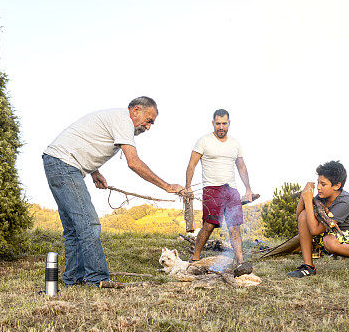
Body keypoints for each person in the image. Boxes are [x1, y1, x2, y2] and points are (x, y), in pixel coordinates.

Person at [43, 96, 185, 287]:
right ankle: (97, 279)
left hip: (57, 162)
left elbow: (84, 142)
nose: (148, 127)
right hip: (64, 166)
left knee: (74, 229)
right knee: (89, 225)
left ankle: (74, 279)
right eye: (149, 120)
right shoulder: (124, 121)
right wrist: (166, 186)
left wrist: (94, 172)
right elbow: (133, 162)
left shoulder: (117, 119)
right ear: (136, 110)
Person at [184, 109, 255, 276]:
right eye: (218, 123)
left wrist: (248, 188)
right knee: (208, 226)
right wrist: (187, 186)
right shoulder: (203, 141)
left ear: (229, 123)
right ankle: (195, 258)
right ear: (213, 124)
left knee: (234, 227)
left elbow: (241, 167)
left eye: (224, 123)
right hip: (211, 189)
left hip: (231, 190)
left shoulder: (235, 143)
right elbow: (192, 164)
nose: (221, 127)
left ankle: (240, 262)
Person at [287, 160, 349, 277]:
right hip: (337, 234)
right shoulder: (323, 197)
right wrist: (304, 196)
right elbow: (300, 218)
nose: (318, 187)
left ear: (337, 186)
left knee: (329, 241)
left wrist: (308, 201)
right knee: (304, 215)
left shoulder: (344, 202)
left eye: (323, 184)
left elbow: (314, 231)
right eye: (318, 183)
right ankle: (309, 266)